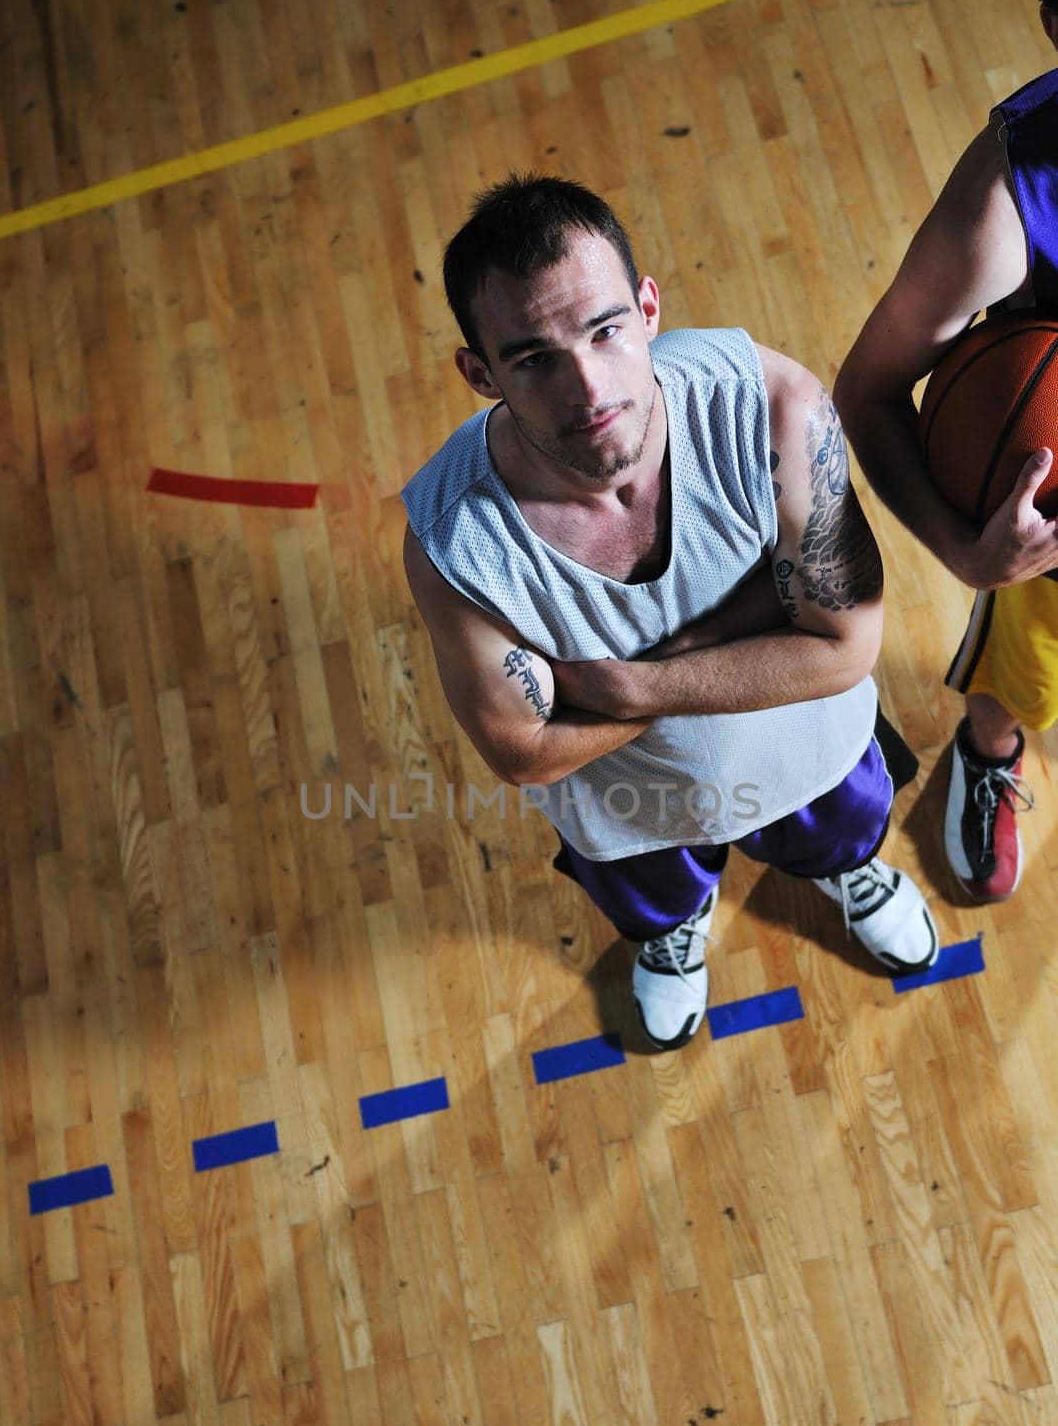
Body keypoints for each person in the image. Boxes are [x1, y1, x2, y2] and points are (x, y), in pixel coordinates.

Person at [402, 175, 938, 1051]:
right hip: (628, 809)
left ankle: (851, 876)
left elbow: (842, 650)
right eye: (533, 357)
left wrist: (620, 683)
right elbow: (525, 754)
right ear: (479, 373)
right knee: (653, 903)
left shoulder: (772, 407)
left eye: (605, 329)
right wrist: (751, 625)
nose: (586, 386)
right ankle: (670, 937)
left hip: (806, 748)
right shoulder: (452, 541)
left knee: (839, 839)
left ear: (648, 308)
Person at [835, 2, 1058, 902]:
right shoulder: (1007, 203)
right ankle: (987, 750)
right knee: (1022, 679)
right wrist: (964, 549)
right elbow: (869, 390)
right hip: (1052, 560)